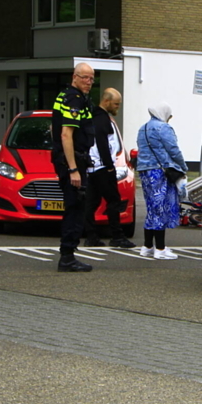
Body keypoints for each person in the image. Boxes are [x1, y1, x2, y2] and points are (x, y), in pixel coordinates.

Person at [51, 63, 96, 272]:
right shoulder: (74, 99)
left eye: (92, 78)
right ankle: (67, 256)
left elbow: (54, 126)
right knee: (75, 209)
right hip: (72, 161)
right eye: (85, 77)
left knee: (75, 207)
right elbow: (66, 134)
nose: (89, 82)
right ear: (74, 77)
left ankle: (68, 254)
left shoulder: (64, 96)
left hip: (68, 159)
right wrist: (73, 169)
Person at [83, 88, 135, 249]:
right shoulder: (103, 119)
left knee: (92, 202)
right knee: (113, 201)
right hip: (102, 168)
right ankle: (117, 237)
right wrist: (109, 166)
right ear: (106, 101)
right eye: (116, 104)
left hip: (92, 168)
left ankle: (91, 236)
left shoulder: (94, 117)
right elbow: (102, 144)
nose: (117, 107)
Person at [136, 103, 188, 260]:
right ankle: (160, 248)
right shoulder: (163, 128)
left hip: (145, 170)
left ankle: (147, 247)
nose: (169, 119)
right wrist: (183, 166)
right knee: (161, 208)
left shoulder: (142, 128)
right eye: (169, 116)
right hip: (160, 171)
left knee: (152, 208)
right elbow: (173, 150)